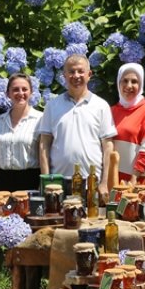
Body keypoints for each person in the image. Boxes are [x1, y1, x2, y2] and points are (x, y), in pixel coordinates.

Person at [36, 54, 116, 200]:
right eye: (71, 72)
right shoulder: (52, 106)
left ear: (89, 74)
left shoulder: (101, 106)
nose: (76, 75)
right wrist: (47, 180)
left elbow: (108, 147)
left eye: (80, 71)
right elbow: (44, 144)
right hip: (58, 185)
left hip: (92, 184)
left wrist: (104, 182)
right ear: (64, 76)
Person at [0, 74, 43, 192]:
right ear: (8, 93)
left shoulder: (40, 120)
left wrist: (43, 188)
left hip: (31, 181)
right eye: (15, 89)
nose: (20, 93)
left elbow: (44, 157)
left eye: (24, 89)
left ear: (31, 92)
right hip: (2, 182)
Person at [110, 63, 145, 183]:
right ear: (118, 83)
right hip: (111, 182)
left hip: (135, 183)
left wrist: (133, 180)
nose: (129, 85)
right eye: (124, 81)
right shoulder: (111, 111)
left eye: (134, 81)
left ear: (141, 84)